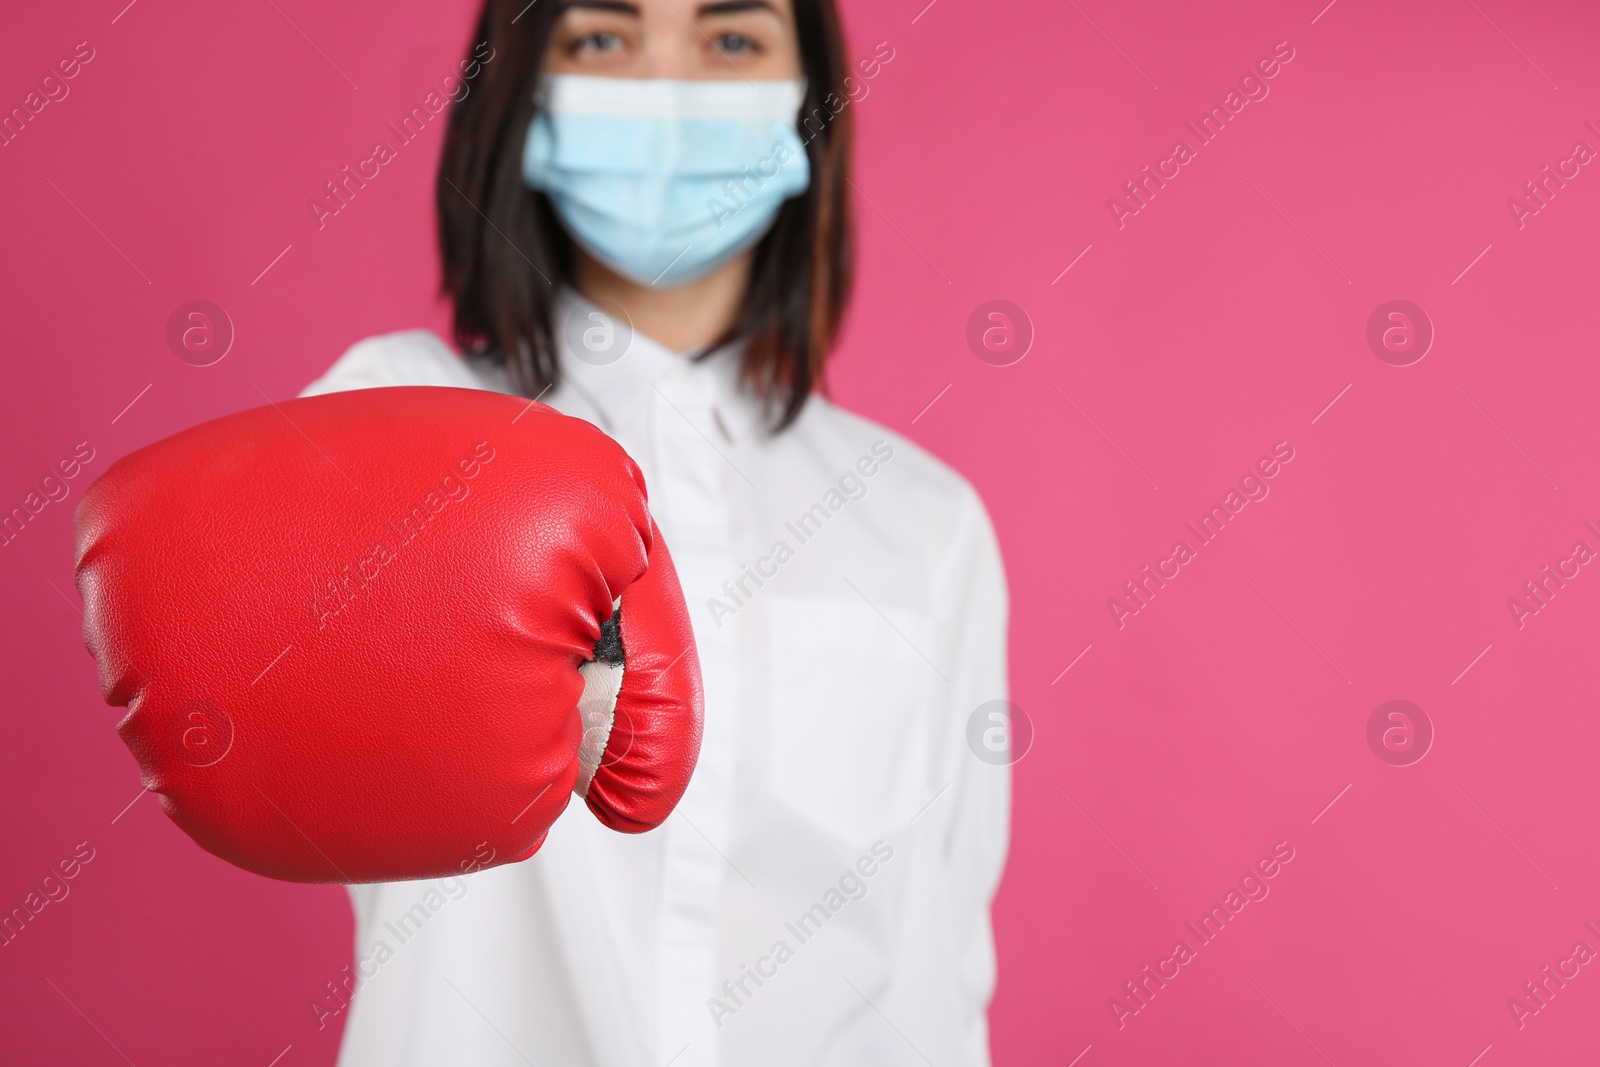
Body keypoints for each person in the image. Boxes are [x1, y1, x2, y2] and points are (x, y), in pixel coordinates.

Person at [301, 0, 1010, 1063]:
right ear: (520, 91)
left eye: (731, 41)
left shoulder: (921, 523)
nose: (663, 89)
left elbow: (943, 957)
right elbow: (252, 673)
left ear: (806, 105)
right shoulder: (399, 414)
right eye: (602, 39)